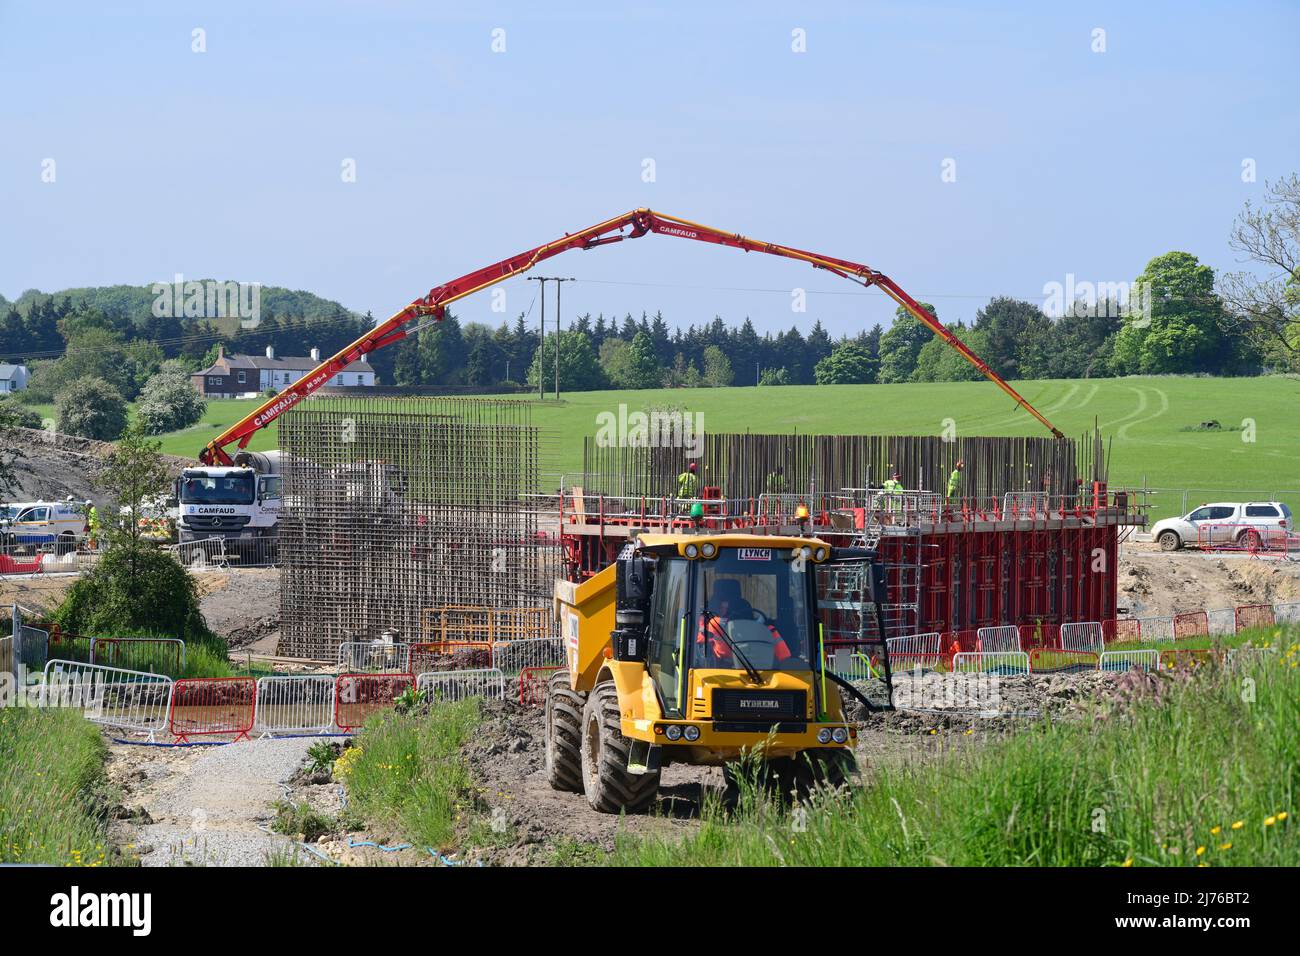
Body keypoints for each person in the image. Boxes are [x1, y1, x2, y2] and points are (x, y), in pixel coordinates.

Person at [696, 578, 791, 665]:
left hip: (760, 671)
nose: (724, 609)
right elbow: (700, 653)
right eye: (721, 606)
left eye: (725, 606)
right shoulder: (711, 624)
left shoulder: (767, 630)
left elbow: (786, 661)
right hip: (718, 669)